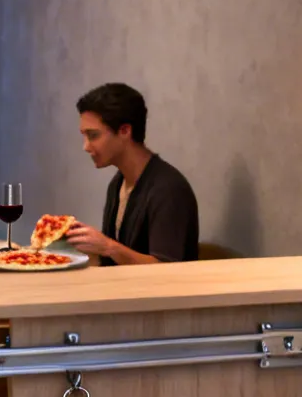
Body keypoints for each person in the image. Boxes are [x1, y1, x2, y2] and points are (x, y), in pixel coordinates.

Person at [64, 82, 200, 265]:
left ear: (125, 131)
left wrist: (107, 246)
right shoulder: (117, 184)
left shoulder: (168, 190)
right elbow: (111, 264)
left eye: (93, 135)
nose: (86, 146)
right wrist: (81, 245)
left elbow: (165, 269)